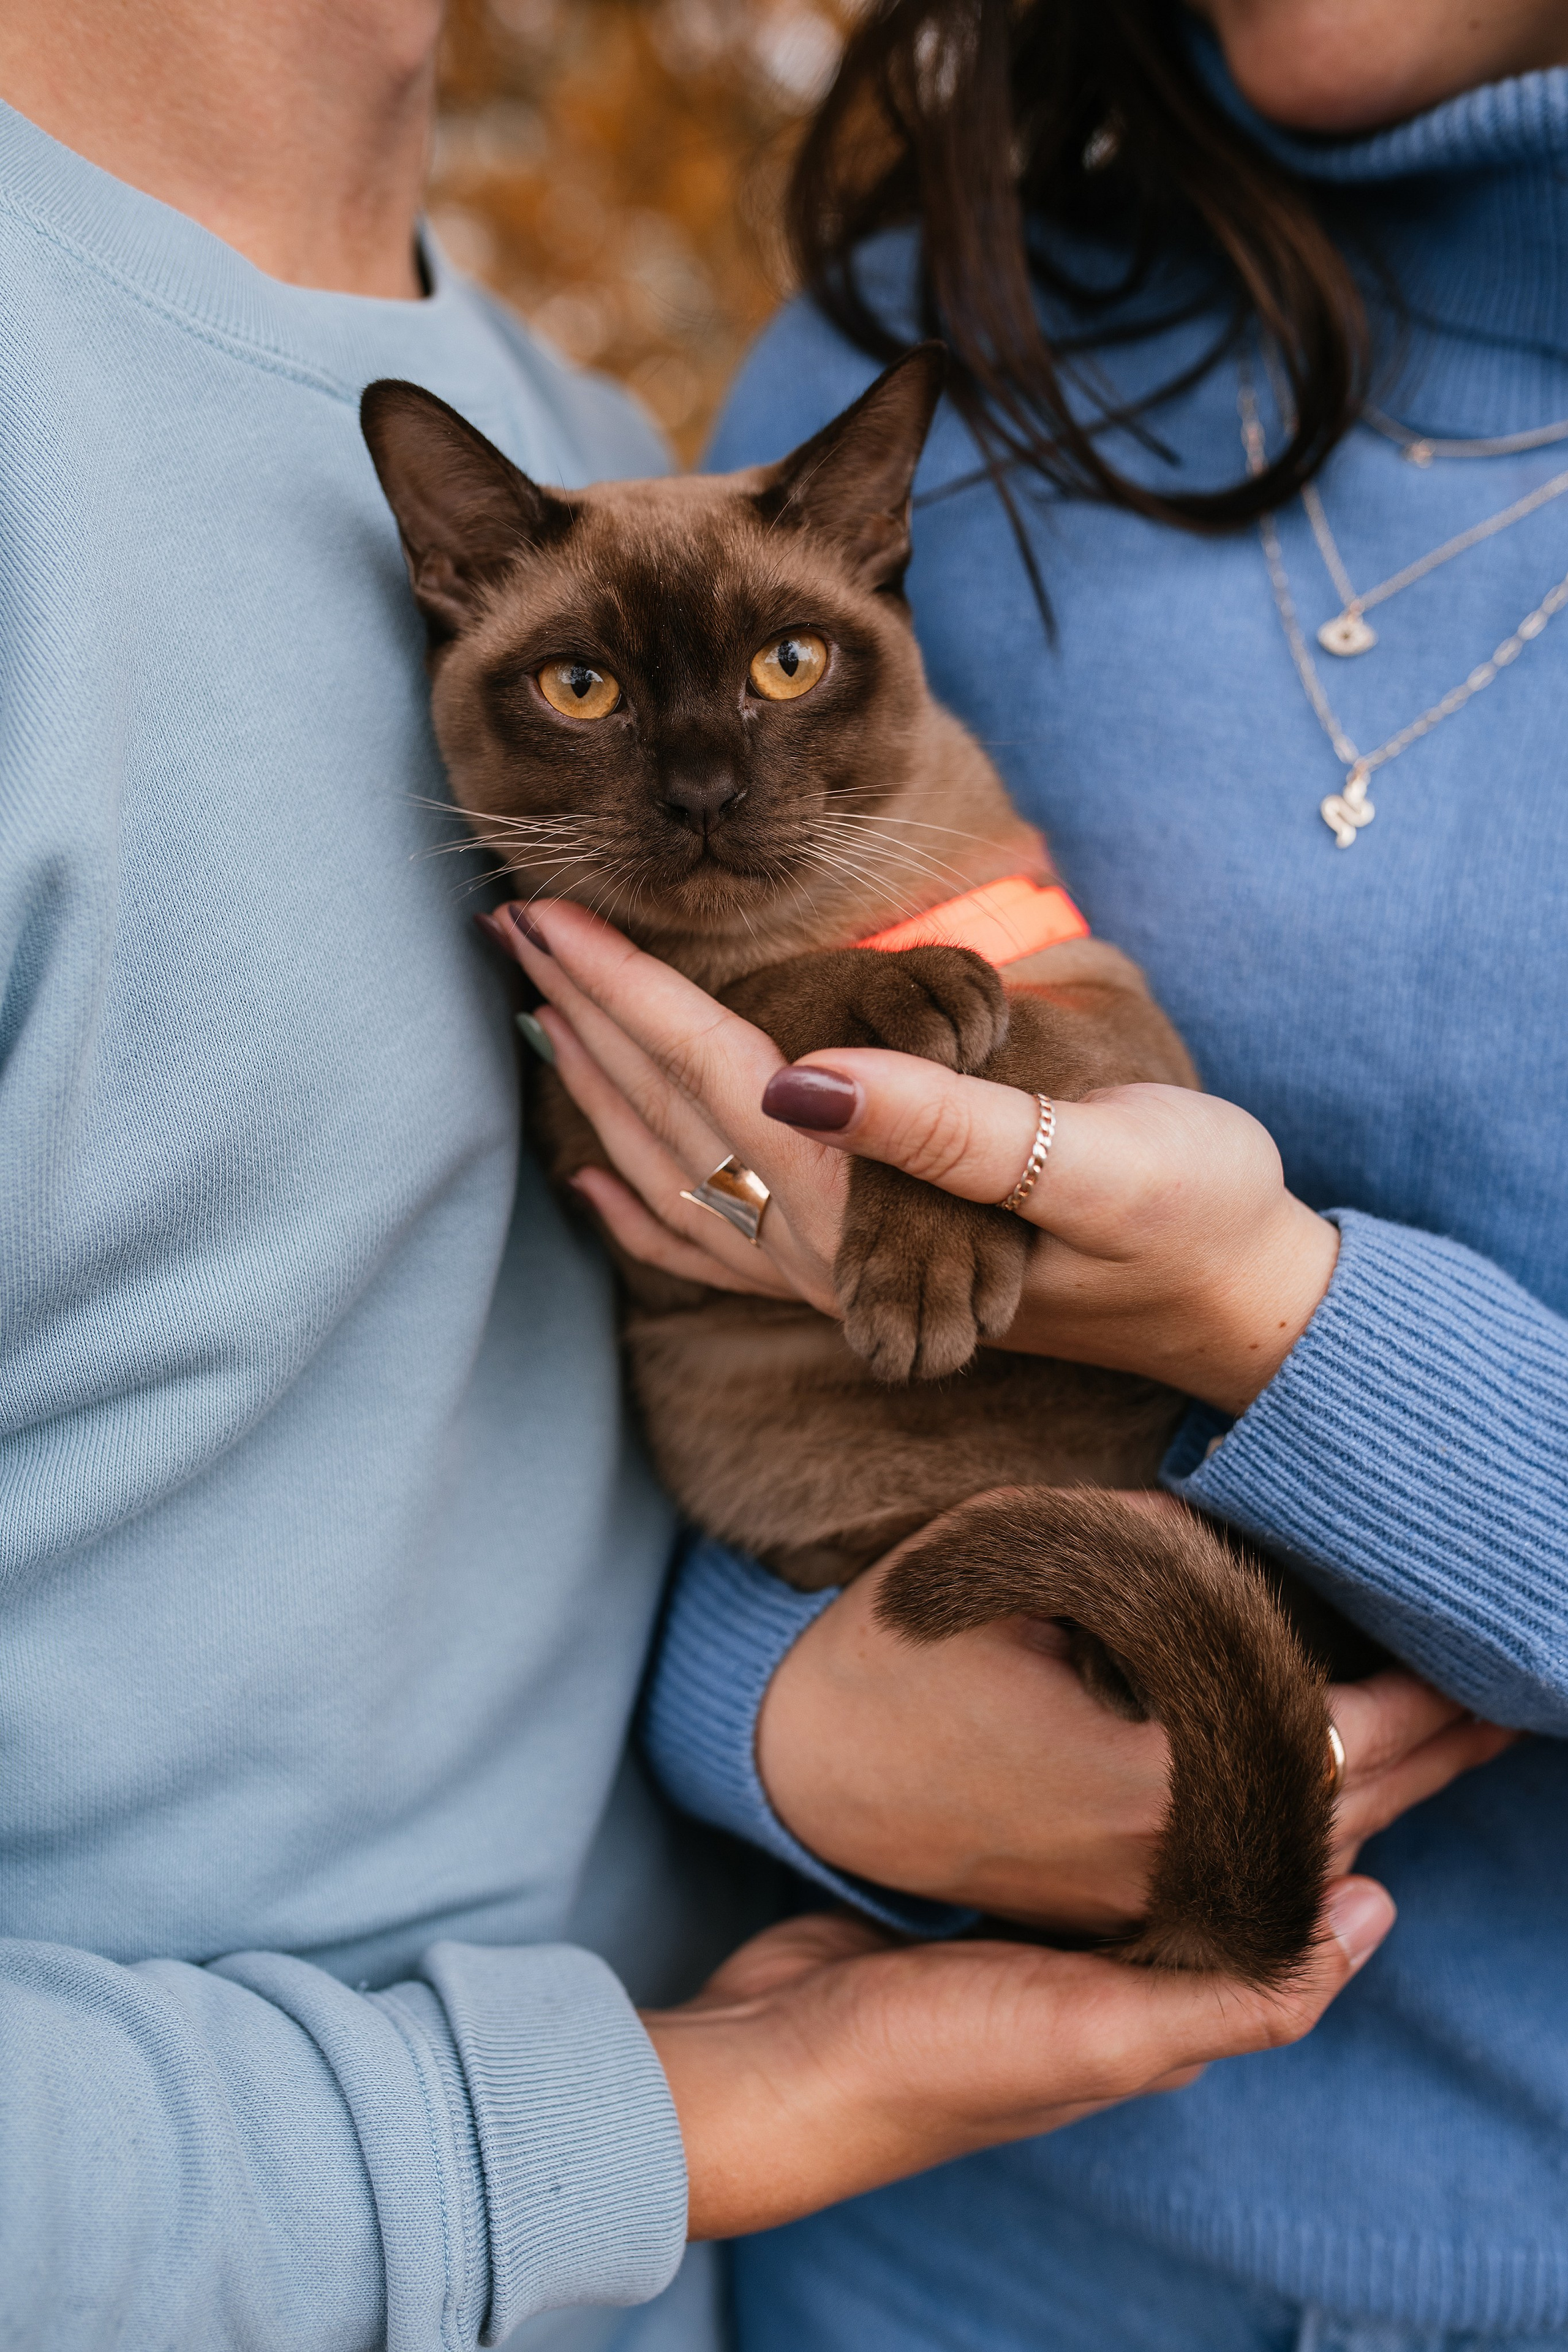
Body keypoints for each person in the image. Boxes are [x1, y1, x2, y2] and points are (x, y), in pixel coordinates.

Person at [0, 2, 1459, 2346]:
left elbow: (536, 1513)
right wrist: (668, 2109)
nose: (691, 772)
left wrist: (795, 1738)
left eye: (761, 695)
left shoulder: (590, 441)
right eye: (587, 701)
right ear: (453, 604)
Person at [479, 1, 1568, 2347]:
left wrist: (1276, 1326)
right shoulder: (915, 339)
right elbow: (577, 1373)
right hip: (899, 2256)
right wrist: (781, 1719)